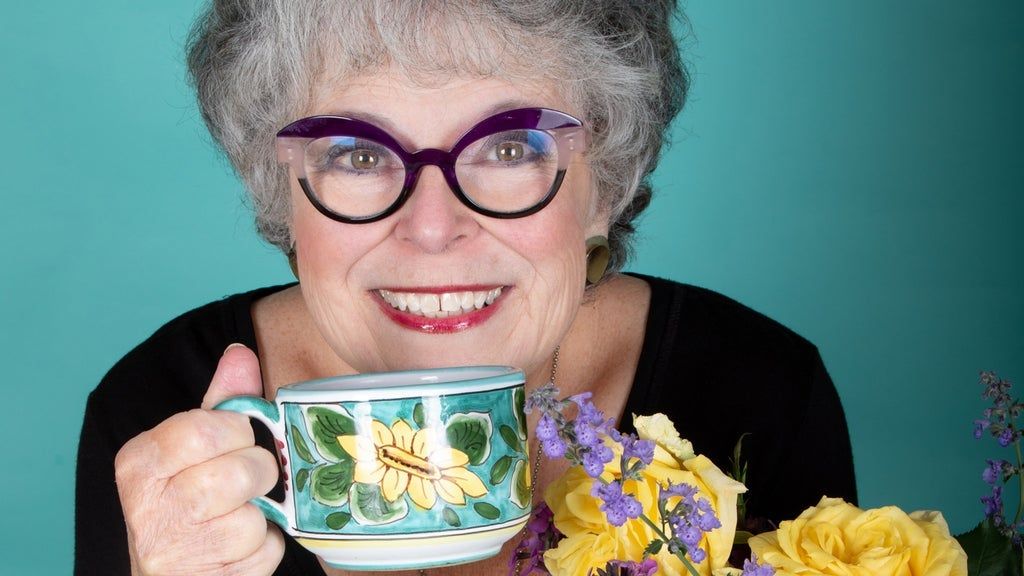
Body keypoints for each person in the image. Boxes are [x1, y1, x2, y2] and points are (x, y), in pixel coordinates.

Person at [75, 1, 857, 575]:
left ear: (608, 182)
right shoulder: (164, 415)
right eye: (357, 154)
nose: (431, 226)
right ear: (282, 192)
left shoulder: (759, 392)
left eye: (510, 147)